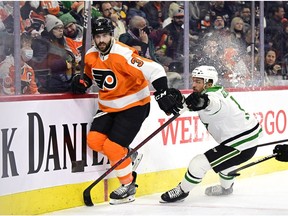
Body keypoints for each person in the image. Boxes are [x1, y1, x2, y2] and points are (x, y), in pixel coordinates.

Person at [71, 17, 183, 205]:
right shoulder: (90, 55)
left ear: (111, 35)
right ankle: (129, 155)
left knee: (112, 147)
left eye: (105, 35)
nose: (101, 40)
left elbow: (155, 70)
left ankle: (128, 186)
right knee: (94, 141)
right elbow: (92, 75)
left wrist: (162, 92)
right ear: (93, 38)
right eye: (98, 36)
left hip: (134, 106)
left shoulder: (123, 54)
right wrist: (82, 82)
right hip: (108, 107)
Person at [160, 65, 263, 203]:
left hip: (241, 145)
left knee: (198, 164)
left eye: (198, 82)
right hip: (245, 139)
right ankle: (226, 189)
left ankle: (182, 191)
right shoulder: (209, 93)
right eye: (194, 80)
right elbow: (194, 104)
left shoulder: (213, 98)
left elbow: (212, 104)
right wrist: (178, 102)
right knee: (225, 167)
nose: (194, 85)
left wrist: (205, 102)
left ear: (208, 83)